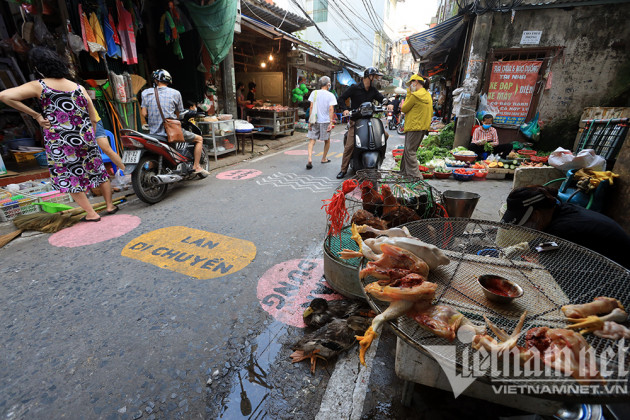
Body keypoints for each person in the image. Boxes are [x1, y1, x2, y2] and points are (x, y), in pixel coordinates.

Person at [0, 46, 118, 221]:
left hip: (61, 141)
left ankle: (92, 214)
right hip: (85, 137)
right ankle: (109, 206)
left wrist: (37, 115)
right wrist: (90, 135)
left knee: (70, 177)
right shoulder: (78, 87)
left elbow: (4, 96)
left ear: (38, 68)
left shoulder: (39, 86)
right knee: (98, 172)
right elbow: (93, 117)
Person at [501, 185, 630, 269]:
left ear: (536, 215)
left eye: (524, 224)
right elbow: (550, 242)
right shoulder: (562, 209)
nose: (526, 228)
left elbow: (550, 245)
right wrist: (525, 248)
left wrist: (524, 249)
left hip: (619, 269)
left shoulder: (566, 227)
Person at [140, 69, 209, 176]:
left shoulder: (145, 93)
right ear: (168, 81)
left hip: (154, 133)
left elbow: (144, 114)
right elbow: (178, 113)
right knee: (199, 139)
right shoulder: (175, 93)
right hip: (171, 132)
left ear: (156, 81)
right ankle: (196, 166)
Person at [336, 67, 385, 179]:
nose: (376, 79)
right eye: (375, 76)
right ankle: (343, 169)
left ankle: (379, 162)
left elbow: (382, 99)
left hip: (370, 121)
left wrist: (389, 103)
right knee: (349, 146)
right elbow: (341, 99)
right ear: (369, 77)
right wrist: (345, 109)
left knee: (384, 136)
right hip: (356, 122)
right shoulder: (355, 88)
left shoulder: (373, 90)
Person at [399, 74, 432, 178]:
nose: (410, 86)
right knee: (408, 151)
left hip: (414, 126)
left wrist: (409, 93)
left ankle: (417, 177)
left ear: (415, 82)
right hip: (422, 127)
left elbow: (404, 108)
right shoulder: (427, 95)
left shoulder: (415, 95)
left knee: (410, 152)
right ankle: (403, 172)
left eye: (411, 84)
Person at [306, 76, 337, 169]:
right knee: (327, 140)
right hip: (325, 121)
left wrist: (310, 121)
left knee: (312, 140)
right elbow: (331, 109)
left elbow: (311, 107)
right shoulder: (331, 95)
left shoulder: (314, 93)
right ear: (328, 85)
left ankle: (309, 159)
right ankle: (324, 158)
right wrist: (331, 122)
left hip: (315, 120)